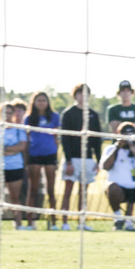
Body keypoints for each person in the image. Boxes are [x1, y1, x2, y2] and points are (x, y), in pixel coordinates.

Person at [59, 83, 103, 230]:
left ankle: (81, 223)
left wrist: (98, 160)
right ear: (75, 95)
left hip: (88, 159)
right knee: (68, 192)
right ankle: (64, 222)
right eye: (79, 93)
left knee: (83, 193)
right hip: (72, 158)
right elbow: (65, 139)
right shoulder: (68, 113)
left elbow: (97, 140)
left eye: (85, 93)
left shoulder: (93, 115)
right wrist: (69, 161)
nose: (82, 96)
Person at [0, 100, 29, 230]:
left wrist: (4, 149)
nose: (8, 115)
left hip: (15, 167)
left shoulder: (19, 131)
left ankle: (19, 224)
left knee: (14, 198)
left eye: (10, 113)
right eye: (5, 113)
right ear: (0, 113)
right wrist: (11, 149)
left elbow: (22, 146)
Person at [103, 122, 135, 231]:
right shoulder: (111, 149)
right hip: (117, 188)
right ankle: (118, 219)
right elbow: (105, 166)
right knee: (114, 188)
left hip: (134, 187)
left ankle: (130, 222)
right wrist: (117, 147)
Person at [23, 91, 61, 231]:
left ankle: (54, 222)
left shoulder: (54, 117)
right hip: (34, 154)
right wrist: (27, 160)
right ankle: (30, 222)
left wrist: (56, 157)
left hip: (50, 154)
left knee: (51, 190)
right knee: (33, 189)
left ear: (48, 102)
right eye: (39, 100)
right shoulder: (29, 118)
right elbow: (26, 140)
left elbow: (56, 138)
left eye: (44, 100)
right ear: (34, 102)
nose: (41, 103)